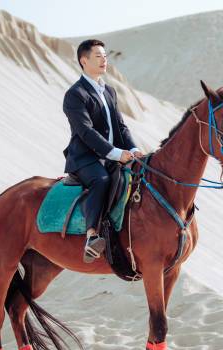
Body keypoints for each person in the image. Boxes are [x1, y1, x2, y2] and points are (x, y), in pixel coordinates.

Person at [62, 39, 143, 262]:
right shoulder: (75, 94)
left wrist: (133, 149)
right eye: (98, 56)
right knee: (102, 181)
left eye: (105, 56)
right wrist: (116, 153)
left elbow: (121, 126)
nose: (104, 60)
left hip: (111, 154)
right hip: (84, 158)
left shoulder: (109, 91)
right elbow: (86, 132)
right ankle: (92, 236)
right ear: (84, 60)